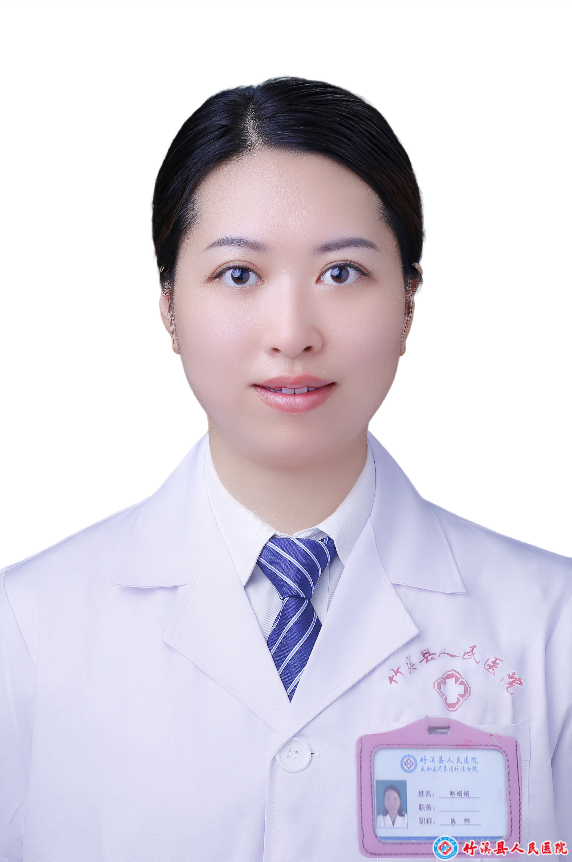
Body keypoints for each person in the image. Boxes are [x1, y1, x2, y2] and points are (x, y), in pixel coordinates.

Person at [1, 77, 570, 862]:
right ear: (169, 305)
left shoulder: (551, 624)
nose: (293, 333)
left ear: (408, 302)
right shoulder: (27, 628)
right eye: (239, 274)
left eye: (342, 273)